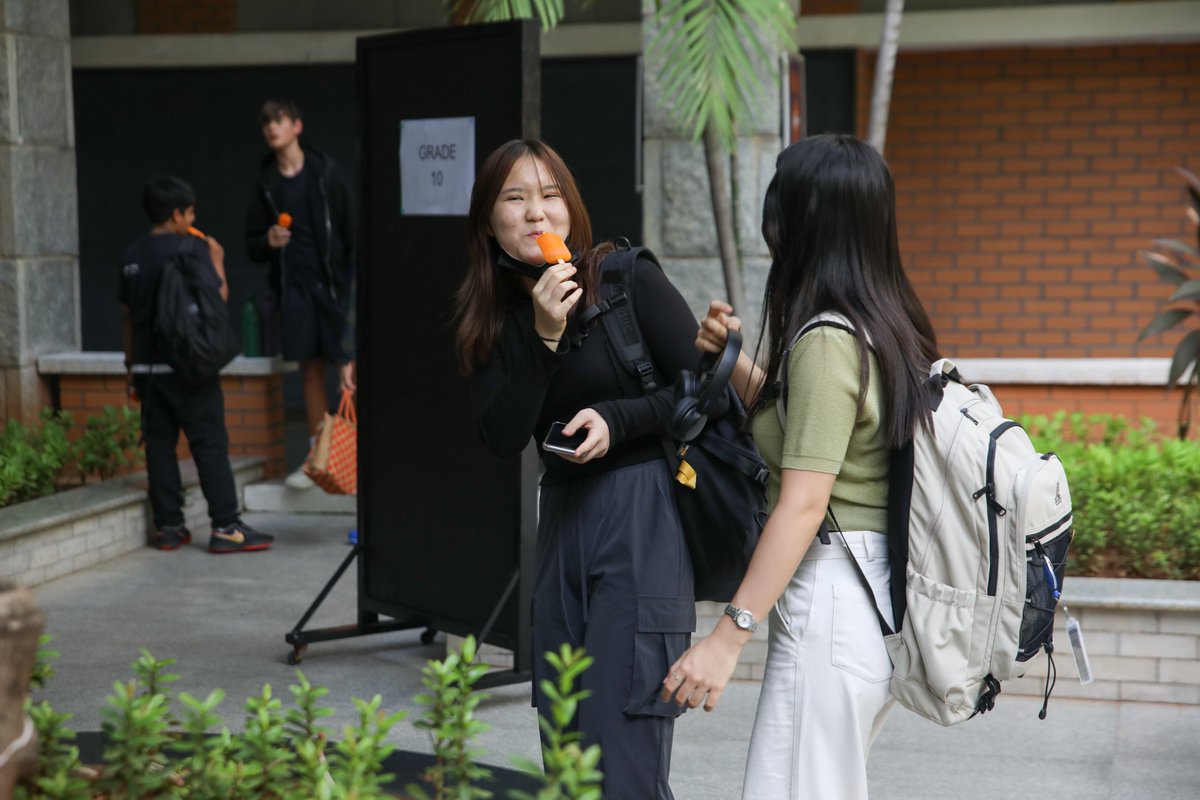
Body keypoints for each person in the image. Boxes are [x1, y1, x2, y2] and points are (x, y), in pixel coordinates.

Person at [660, 134, 940, 799]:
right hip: (873, 592)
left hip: (833, 601)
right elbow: (811, 435)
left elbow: (805, 501)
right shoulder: (889, 321)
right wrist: (734, 361)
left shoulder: (826, 340)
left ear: (805, 222)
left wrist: (727, 639)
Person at [456, 139, 701, 799]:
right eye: (515, 198)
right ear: (487, 220)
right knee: (565, 753)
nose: (537, 212)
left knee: (621, 751)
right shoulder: (490, 314)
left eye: (550, 194)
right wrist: (541, 335)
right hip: (562, 519)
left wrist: (618, 420)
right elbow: (502, 435)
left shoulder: (624, 278)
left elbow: (703, 393)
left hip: (644, 511)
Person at [120, 175, 275, 554]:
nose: (192, 219)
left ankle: (170, 527)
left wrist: (131, 367)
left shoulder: (132, 256)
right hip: (190, 368)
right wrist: (218, 262)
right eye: (190, 213)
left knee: (158, 446)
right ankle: (225, 527)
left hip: (147, 371)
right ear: (176, 214)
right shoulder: (192, 248)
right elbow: (215, 300)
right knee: (208, 444)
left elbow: (127, 317)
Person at [244, 99, 356, 489]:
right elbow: (251, 244)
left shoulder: (326, 174)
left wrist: (351, 283)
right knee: (310, 369)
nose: (272, 129)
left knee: (349, 368)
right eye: (266, 123)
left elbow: (351, 233)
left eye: (279, 121)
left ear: (296, 126)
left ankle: (354, 456)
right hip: (295, 290)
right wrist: (269, 240)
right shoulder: (267, 183)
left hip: (335, 286)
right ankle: (317, 456)